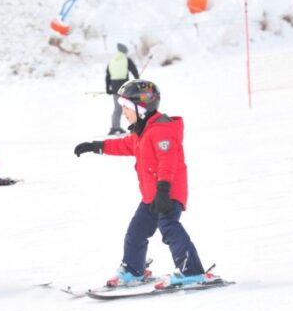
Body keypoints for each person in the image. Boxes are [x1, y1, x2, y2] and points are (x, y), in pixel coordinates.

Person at [73, 79, 221, 290]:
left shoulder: (161, 130)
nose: (123, 111)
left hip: (168, 192)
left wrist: (163, 190)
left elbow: (168, 161)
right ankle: (134, 269)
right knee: (136, 231)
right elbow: (123, 145)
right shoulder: (142, 131)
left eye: (126, 107)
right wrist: (95, 146)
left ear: (141, 107)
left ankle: (192, 271)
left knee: (169, 227)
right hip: (152, 196)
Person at [105, 43, 139, 135]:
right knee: (132, 107)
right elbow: (134, 70)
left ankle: (115, 127)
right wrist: (137, 79)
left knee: (117, 109)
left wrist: (108, 88)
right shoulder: (126, 60)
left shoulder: (112, 61)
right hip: (125, 88)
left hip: (115, 89)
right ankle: (137, 127)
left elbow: (108, 76)